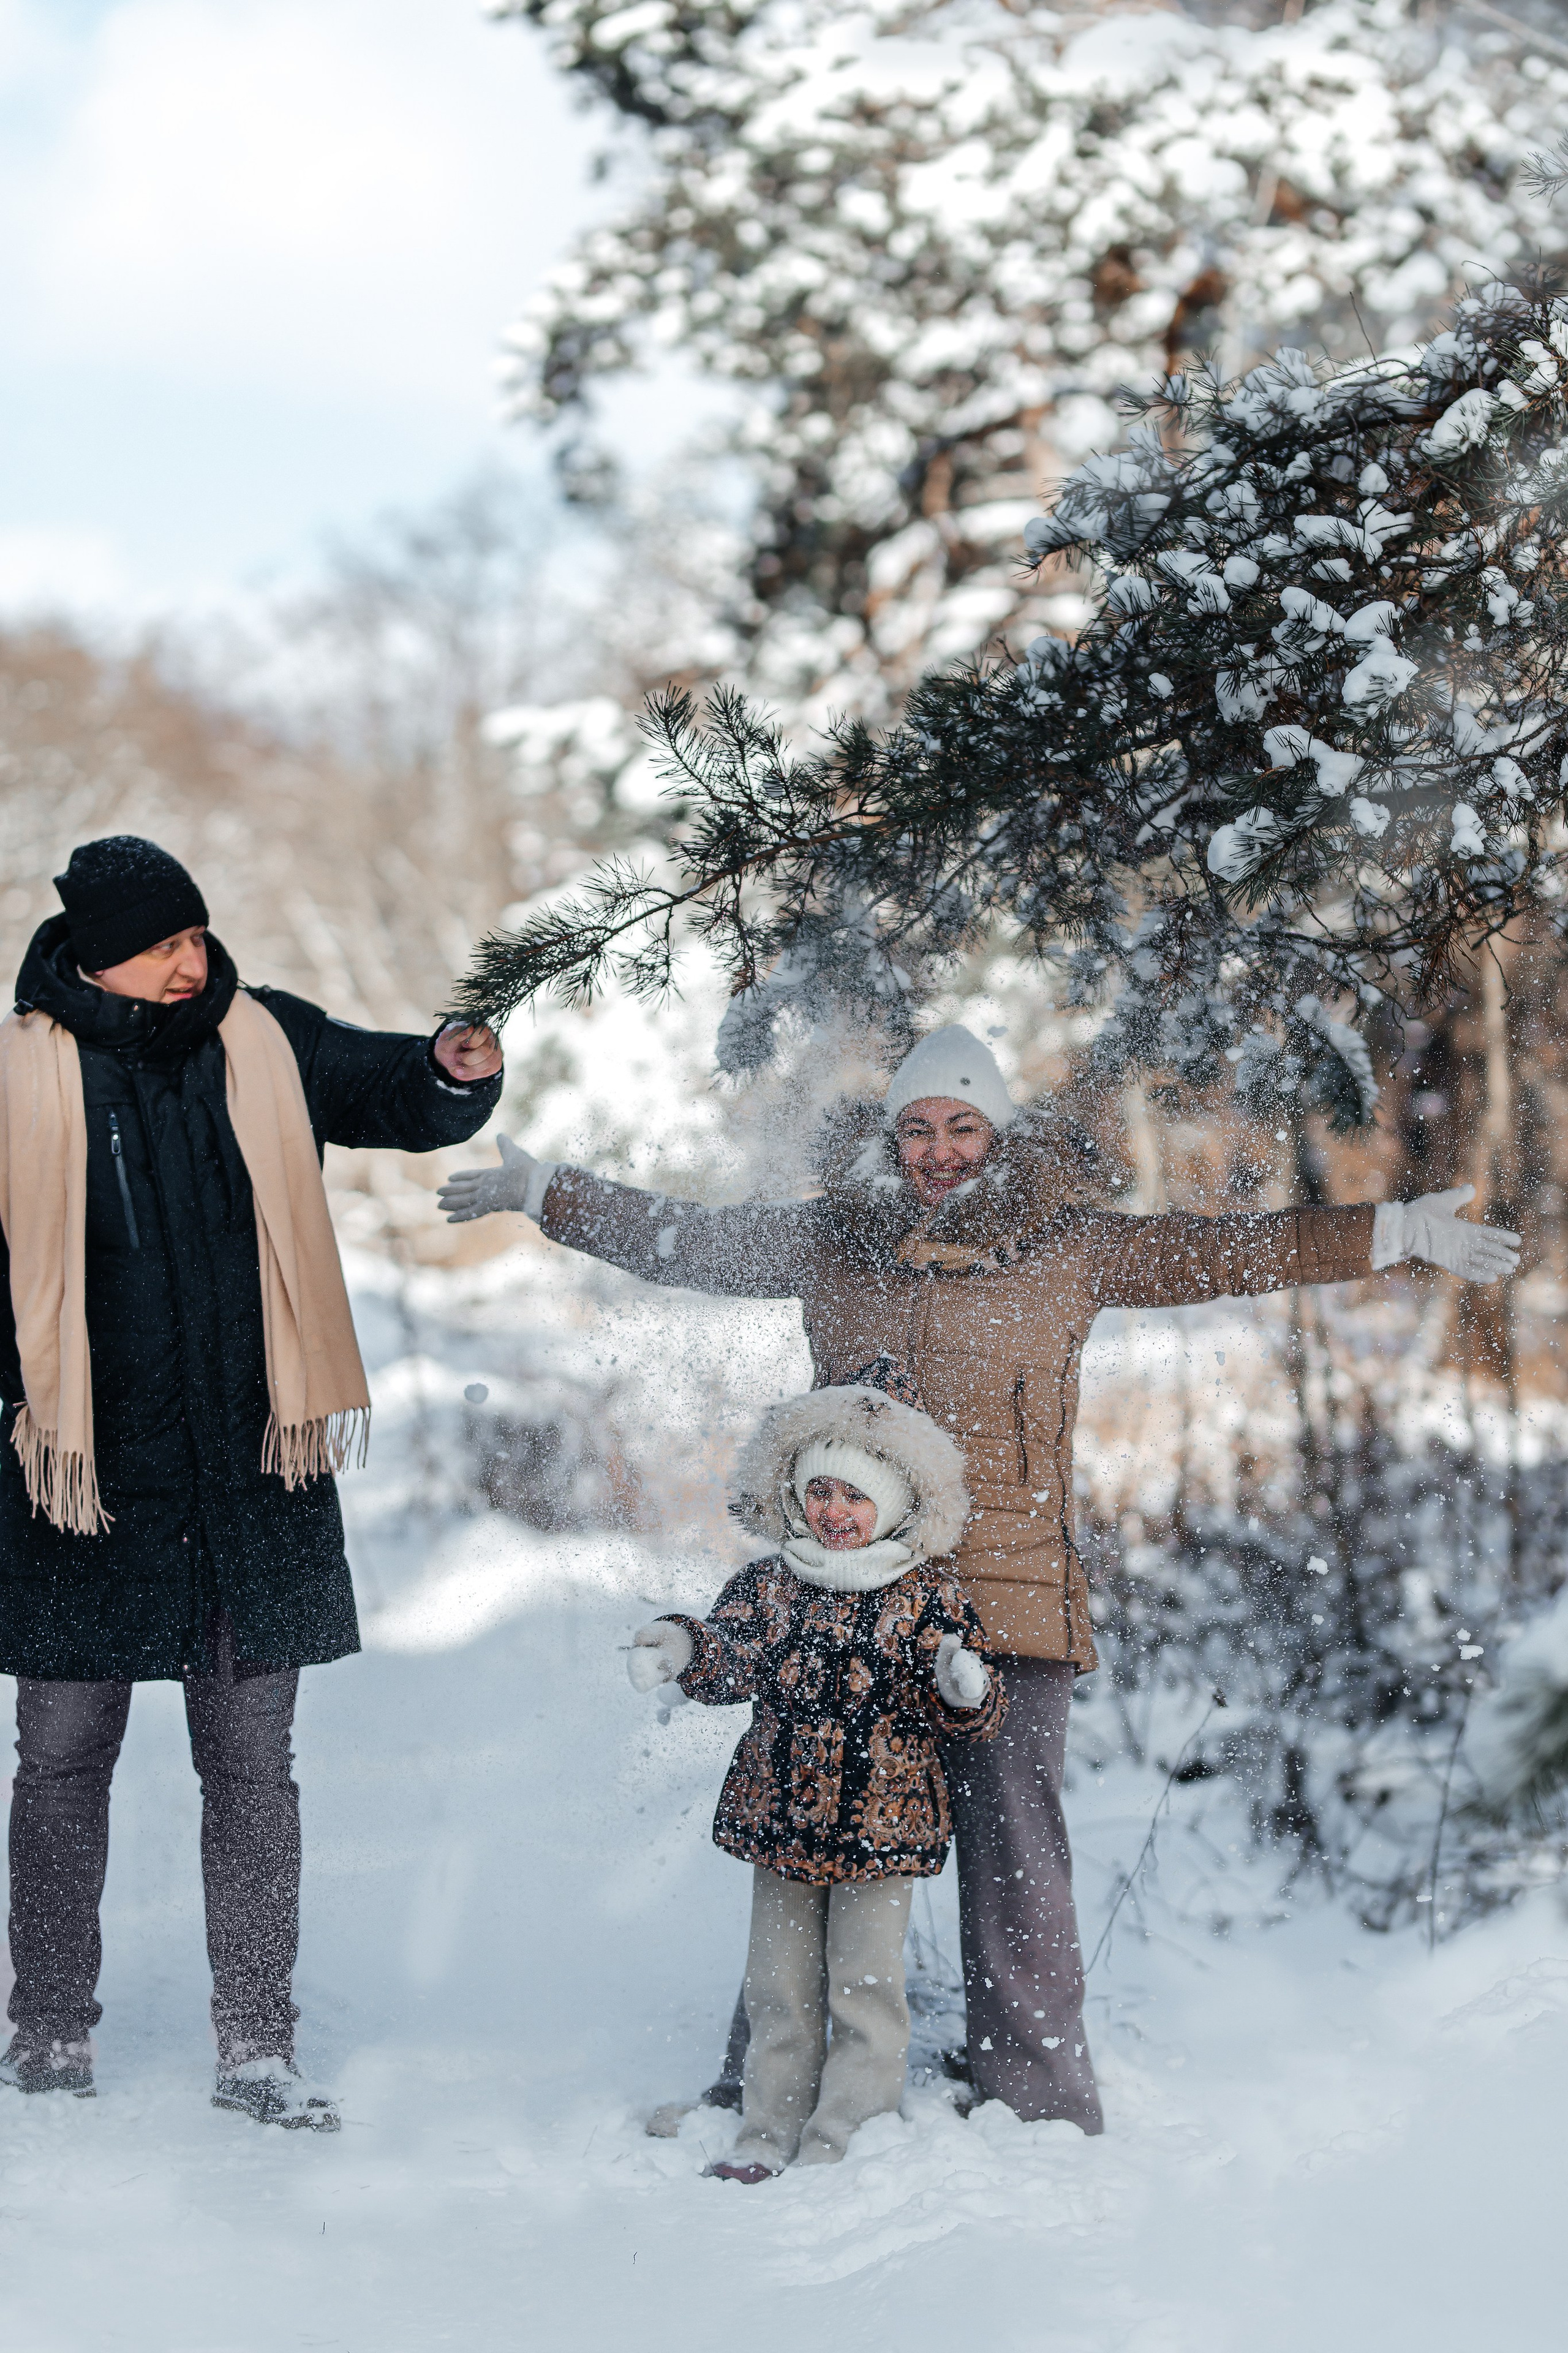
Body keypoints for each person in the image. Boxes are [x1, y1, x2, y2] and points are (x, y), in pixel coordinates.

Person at [441, 1022, 1519, 2134]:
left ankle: (1038, 2098)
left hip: (1007, 1601)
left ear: (998, 1135)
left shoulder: (1071, 1244)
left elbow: (1227, 1249)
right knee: (814, 1836)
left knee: (1015, 1853)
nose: (940, 1150)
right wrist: (545, 1192)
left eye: (962, 1127)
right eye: (917, 1128)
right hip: (851, 1598)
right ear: (889, 1138)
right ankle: (768, 2080)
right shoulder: (835, 1241)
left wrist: (1392, 1230)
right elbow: (689, 1239)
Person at [0, 836, 502, 2126]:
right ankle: (49, 2030)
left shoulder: (263, 1038)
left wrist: (448, 1072)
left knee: (253, 1769)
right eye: (164, 943)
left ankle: (257, 2048)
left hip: (248, 1470)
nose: (191, 959)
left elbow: (395, 1089)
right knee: (60, 1764)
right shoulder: (16, 1079)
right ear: (96, 954)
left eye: (195, 936)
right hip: (80, 1486)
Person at [628, 1384, 1003, 2179]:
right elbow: (733, 1652)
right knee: (780, 1987)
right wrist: (687, 1648)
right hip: (784, 1818)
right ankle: (767, 2130)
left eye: (856, 1495)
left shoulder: (929, 1595)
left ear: (895, 1502)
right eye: (820, 1489)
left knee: (866, 1988)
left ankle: (846, 2139)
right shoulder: (773, 1585)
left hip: (885, 1824)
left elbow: (964, 1703)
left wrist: (964, 1689)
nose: (835, 1510)